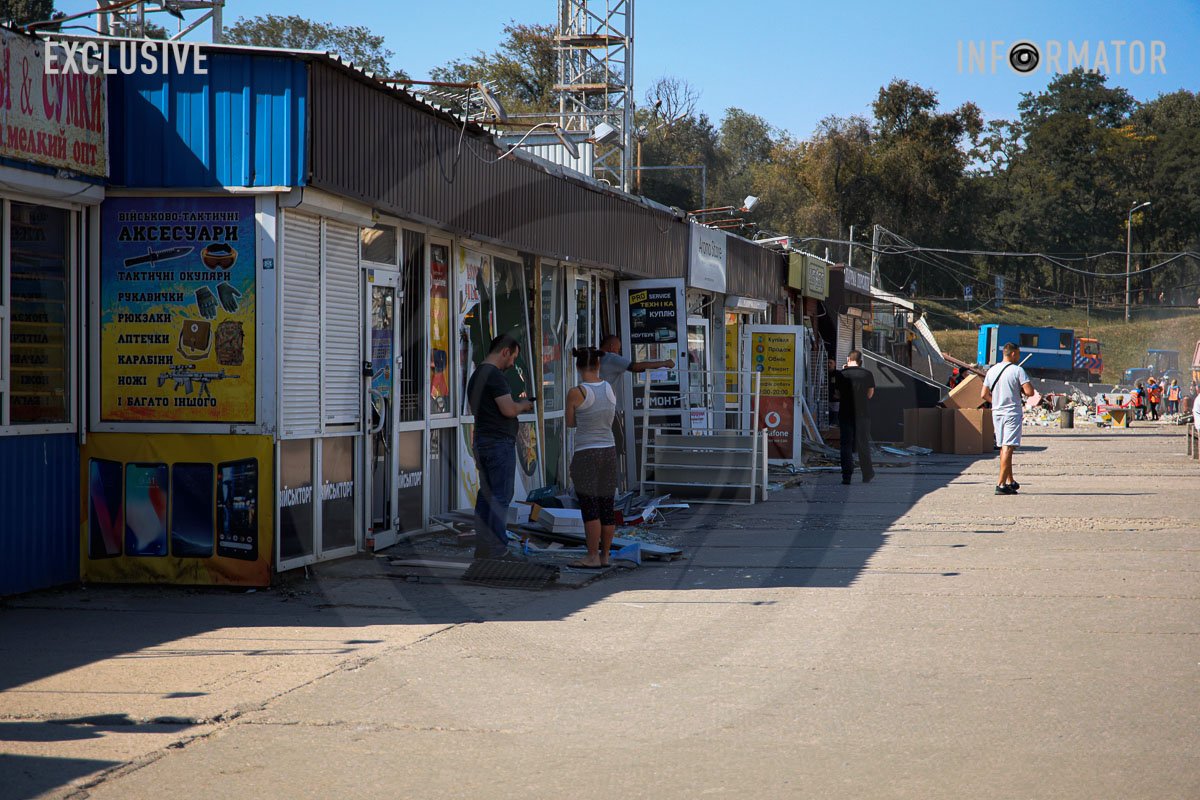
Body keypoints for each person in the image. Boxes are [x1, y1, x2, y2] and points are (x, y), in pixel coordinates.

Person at [466, 334, 535, 560]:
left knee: (486, 495)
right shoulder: (494, 375)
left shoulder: (476, 375)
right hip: (498, 443)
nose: (513, 364)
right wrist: (523, 405)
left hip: (483, 440)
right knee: (500, 496)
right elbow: (508, 409)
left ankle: (484, 548)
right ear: (505, 351)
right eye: (513, 357)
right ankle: (497, 550)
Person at [564, 347, 618, 569]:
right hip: (609, 450)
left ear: (578, 367)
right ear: (598, 365)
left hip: (587, 452)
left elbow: (570, 423)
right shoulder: (609, 388)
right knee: (607, 505)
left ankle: (592, 556)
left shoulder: (576, 392)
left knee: (590, 506)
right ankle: (605, 556)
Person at [598, 334, 676, 471]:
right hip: (608, 410)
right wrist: (664, 363)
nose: (618, 352)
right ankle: (611, 478)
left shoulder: (595, 358)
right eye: (618, 349)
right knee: (617, 444)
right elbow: (636, 367)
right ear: (611, 347)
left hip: (594, 407)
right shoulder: (611, 358)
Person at [981, 342, 1034, 495]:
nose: (1019, 357)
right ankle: (1000, 484)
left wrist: (997, 402)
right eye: (1018, 354)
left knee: (1004, 447)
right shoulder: (1018, 370)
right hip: (1012, 413)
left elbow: (983, 394)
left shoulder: (992, 370)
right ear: (1013, 354)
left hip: (997, 413)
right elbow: (1030, 392)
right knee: (1008, 447)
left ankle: (1010, 480)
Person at [832, 350, 875, 485]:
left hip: (845, 413)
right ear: (860, 361)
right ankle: (867, 474)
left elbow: (837, 394)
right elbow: (870, 394)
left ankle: (846, 476)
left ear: (848, 359)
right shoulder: (867, 374)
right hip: (862, 414)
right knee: (863, 443)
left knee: (846, 444)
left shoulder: (841, 374)